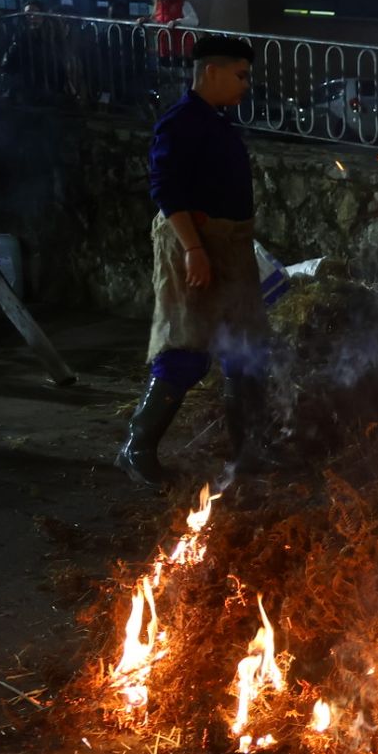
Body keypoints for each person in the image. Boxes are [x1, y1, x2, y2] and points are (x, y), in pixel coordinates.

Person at [118, 35, 272, 487]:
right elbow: (166, 189)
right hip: (196, 247)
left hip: (230, 247)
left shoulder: (215, 122)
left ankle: (246, 454)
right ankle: (136, 449)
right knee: (186, 349)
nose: (246, 84)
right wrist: (193, 250)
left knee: (246, 350)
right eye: (240, 75)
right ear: (212, 72)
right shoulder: (181, 121)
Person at [139, 0, 200, 110]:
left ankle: (183, 111)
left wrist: (179, 22)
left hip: (182, 51)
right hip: (165, 51)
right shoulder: (158, 7)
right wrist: (146, 22)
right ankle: (170, 111)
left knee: (182, 84)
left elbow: (194, 20)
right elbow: (157, 23)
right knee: (167, 84)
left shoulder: (182, 3)